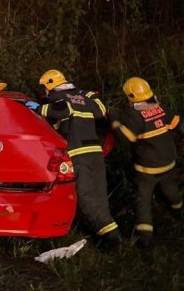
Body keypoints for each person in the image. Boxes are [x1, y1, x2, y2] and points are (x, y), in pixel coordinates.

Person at [27, 69, 122, 248]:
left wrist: (39, 108)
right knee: (99, 193)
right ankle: (106, 231)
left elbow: (62, 110)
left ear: (50, 85)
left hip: (78, 153)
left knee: (84, 195)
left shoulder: (58, 97)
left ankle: (111, 237)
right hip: (95, 153)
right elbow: (101, 110)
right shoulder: (84, 96)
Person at [110, 77, 184, 248]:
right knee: (169, 187)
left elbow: (127, 138)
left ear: (130, 95)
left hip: (147, 169)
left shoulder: (134, 116)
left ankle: (145, 237)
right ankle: (178, 208)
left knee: (142, 199)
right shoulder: (161, 108)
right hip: (168, 163)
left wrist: (114, 122)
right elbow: (179, 123)